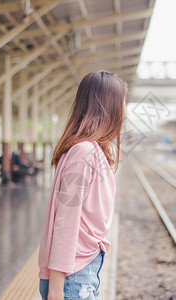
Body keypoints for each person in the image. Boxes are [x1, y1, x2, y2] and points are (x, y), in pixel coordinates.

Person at [38, 70, 127, 300]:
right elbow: (66, 221)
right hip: (73, 279)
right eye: (123, 101)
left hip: (80, 273)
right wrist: (56, 290)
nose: (125, 110)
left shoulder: (89, 151)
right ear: (109, 106)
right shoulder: (84, 153)